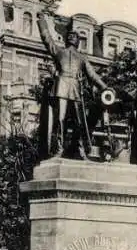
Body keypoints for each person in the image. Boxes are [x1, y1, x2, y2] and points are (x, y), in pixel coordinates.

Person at [37, 11, 107, 159]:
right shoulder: (59, 51)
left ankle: (81, 149)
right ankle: (59, 150)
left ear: (78, 41)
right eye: (69, 35)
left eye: (74, 36)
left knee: (80, 122)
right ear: (67, 39)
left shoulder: (82, 58)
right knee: (60, 120)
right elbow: (47, 38)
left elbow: (92, 75)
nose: (71, 37)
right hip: (61, 86)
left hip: (75, 88)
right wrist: (41, 20)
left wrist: (104, 87)